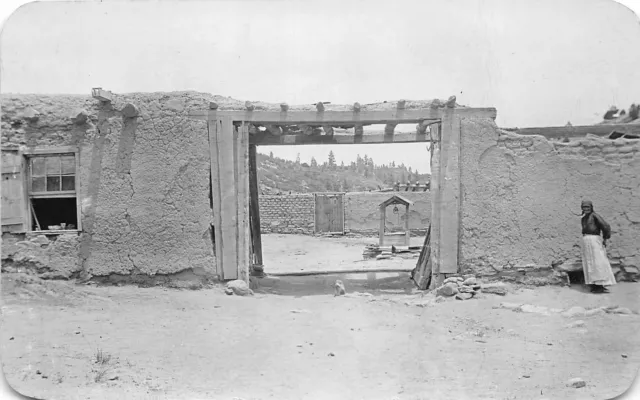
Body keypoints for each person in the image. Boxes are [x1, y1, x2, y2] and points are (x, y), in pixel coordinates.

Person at [580, 200, 616, 293]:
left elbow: (606, 226)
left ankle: (600, 285)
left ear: (591, 207)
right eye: (584, 207)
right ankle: (594, 284)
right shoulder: (583, 218)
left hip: (594, 240)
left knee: (598, 261)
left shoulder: (595, 216)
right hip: (586, 240)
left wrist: (605, 238)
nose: (586, 209)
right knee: (589, 262)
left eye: (588, 207)